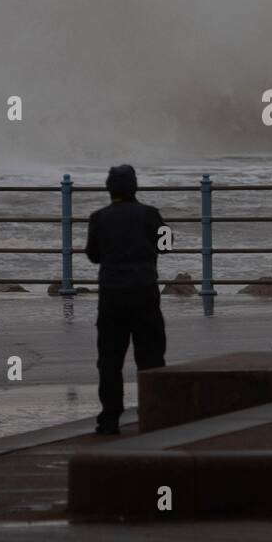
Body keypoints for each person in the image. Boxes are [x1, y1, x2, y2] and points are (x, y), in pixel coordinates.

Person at [84, 164, 168, 433]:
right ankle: (155, 414)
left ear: (109, 189)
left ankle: (109, 419)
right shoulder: (150, 214)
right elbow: (166, 244)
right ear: (135, 188)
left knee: (109, 359)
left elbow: (93, 254)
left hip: (112, 295)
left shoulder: (99, 218)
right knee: (151, 355)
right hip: (144, 291)